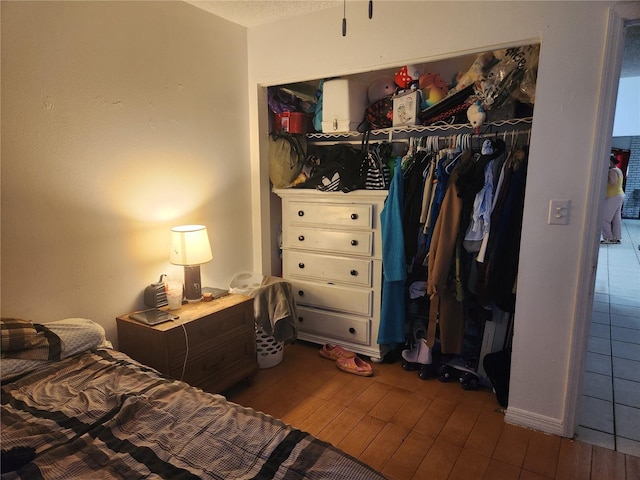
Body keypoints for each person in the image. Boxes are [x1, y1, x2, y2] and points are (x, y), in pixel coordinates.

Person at [601, 154, 624, 244]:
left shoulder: (613, 171)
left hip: (613, 196)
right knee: (616, 218)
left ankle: (608, 237)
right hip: (619, 195)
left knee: (604, 218)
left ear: (610, 162)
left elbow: (613, 183)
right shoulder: (618, 170)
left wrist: (606, 175)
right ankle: (616, 237)